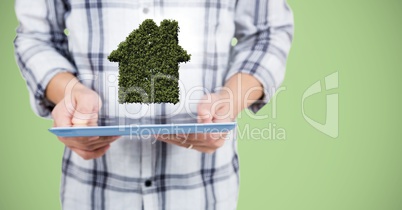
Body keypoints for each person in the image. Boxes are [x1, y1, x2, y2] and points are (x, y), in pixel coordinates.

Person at [14, 0, 294, 209]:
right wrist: (68, 92)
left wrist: (230, 98)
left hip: (205, 190)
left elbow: (268, 31)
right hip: (92, 190)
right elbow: (36, 36)